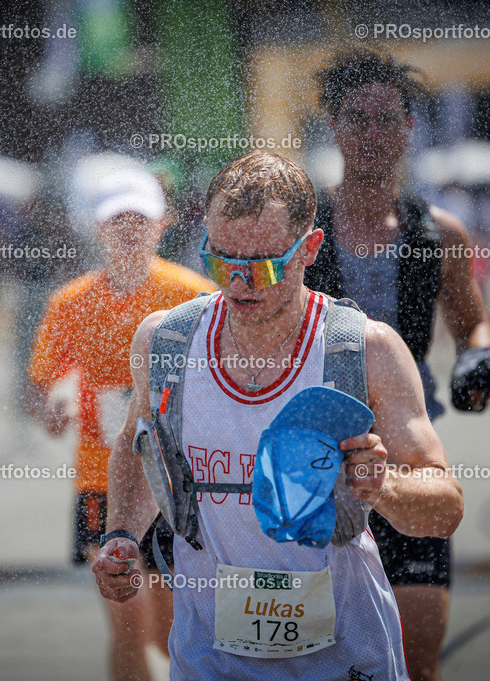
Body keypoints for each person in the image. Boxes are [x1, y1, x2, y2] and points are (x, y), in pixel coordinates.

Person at [93, 152, 463, 680]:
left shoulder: (365, 350)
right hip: (211, 661)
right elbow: (135, 444)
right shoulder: (167, 342)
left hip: (343, 661)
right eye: (222, 262)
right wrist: (121, 537)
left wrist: (381, 487)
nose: (242, 283)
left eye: (265, 265)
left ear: (310, 248)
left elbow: (445, 508)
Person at [307, 49, 490, 681]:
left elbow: (471, 322)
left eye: (386, 118)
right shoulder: (302, 231)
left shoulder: (440, 234)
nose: (372, 133)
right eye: (356, 118)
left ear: (408, 128)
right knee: (313, 658)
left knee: (418, 661)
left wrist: (481, 360)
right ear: (334, 128)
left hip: (411, 455)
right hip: (317, 456)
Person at [27, 166, 215, 680]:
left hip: (177, 477)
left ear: (164, 224)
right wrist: (53, 408)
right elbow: (46, 380)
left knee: (170, 631)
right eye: (117, 219)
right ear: (97, 228)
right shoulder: (69, 303)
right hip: (100, 476)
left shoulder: (191, 294)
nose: (129, 229)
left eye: (141, 218)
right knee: (128, 624)